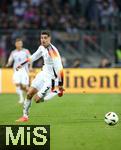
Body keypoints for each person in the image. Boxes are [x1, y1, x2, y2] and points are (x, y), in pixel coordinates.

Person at [16, 30, 64, 122]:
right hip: (43, 74)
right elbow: (34, 56)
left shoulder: (53, 52)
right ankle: (25, 116)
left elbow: (60, 68)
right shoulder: (42, 47)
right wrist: (22, 64)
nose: (43, 40)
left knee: (37, 99)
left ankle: (57, 90)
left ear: (50, 39)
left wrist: (61, 83)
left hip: (51, 79)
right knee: (29, 93)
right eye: (42, 38)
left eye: (45, 38)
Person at [6, 38, 32, 104]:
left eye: (20, 43)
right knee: (17, 84)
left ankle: (29, 95)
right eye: (18, 43)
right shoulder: (13, 52)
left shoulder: (26, 51)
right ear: (15, 44)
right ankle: (21, 98)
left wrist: (30, 67)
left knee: (24, 86)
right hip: (16, 70)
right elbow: (10, 60)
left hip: (24, 70)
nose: (19, 45)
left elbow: (30, 59)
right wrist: (8, 64)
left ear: (22, 44)